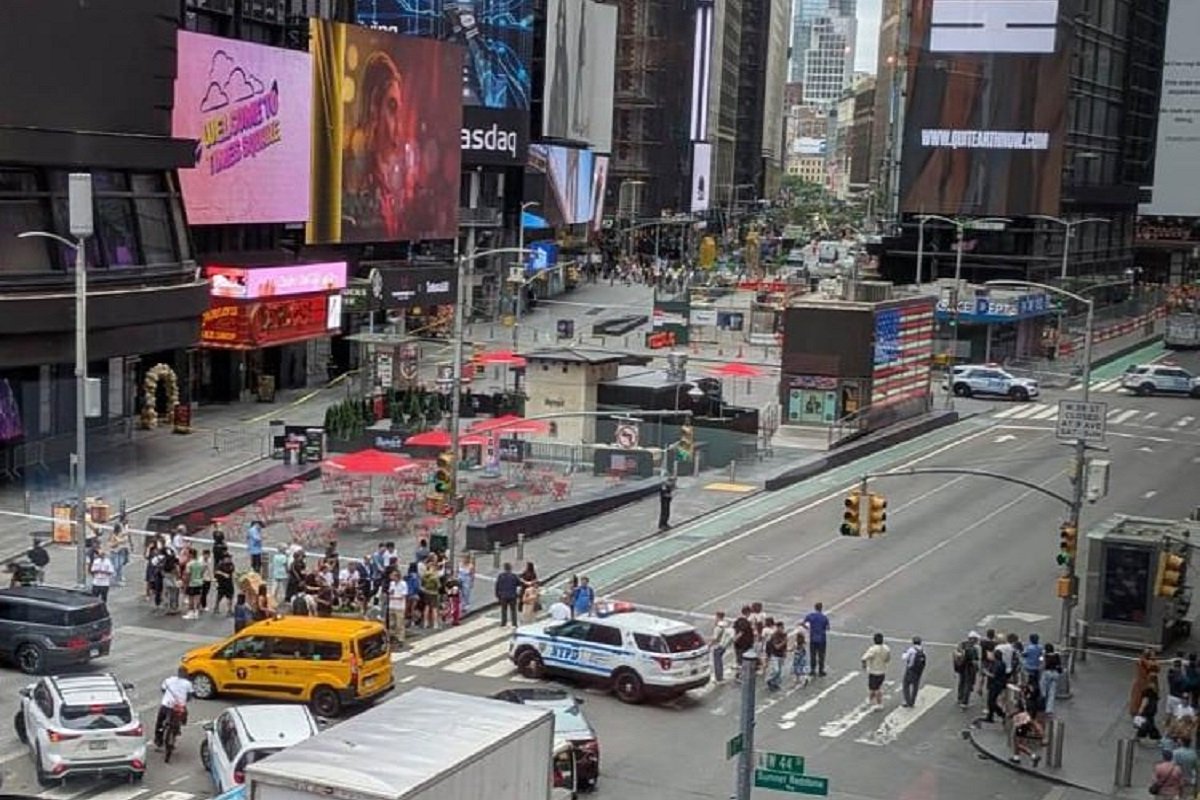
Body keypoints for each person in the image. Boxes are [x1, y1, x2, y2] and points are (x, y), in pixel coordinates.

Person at [154, 668, 193, 748]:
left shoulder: (168, 680)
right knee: (184, 715)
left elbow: (163, 689)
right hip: (179, 707)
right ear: (186, 674)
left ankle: (158, 739)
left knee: (159, 721)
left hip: (166, 705)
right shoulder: (188, 684)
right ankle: (178, 727)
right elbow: (189, 696)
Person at [861, 632, 891, 711]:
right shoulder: (886, 648)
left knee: (874, 688)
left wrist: (864, 666)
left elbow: (864, 658)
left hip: (874, 671)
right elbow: (887, 659)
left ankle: (878, 703)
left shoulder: (873, 649)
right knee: (877, 687)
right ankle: (871, 700)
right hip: (882, 671)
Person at [1132, 648, 1161, 717]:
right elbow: (1155, 667)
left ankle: (1137, 710)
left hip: (1142, 681)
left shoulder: (1142, 661)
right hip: (1144, 682)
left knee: (1139, 697)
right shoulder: (1145, 662)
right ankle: (1139, 711)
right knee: (1143, 697)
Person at [803, 602, 830, 677]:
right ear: (821, 608)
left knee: (813, 655)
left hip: (813, 638)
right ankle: (821, 670)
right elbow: (827, 628)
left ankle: (812, 670)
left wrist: (808, 628)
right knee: (821, 655)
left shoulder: (811, 616)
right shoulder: (824, 617)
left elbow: (803, 623)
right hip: (822, 638)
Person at [901, 636, 927, 708]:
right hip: (918, 671)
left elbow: (904, 658)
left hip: (910, 669)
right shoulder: (922, 650)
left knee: (906, 685)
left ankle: (907, 701)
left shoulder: (911, 650)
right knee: (915, 687)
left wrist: (904, 653)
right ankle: (912, 701)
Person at [765, 621, 789, 692]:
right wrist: (784, 642)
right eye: (781, 628)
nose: (782, 629)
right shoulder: (774, 636)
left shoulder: (784, 635)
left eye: (783, 628)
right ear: (777, 628)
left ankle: (775, 684)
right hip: (775, 655)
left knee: (779, 672)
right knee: (776, 670)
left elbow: (785, 646)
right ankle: (769, 679)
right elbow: (776, 647)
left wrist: (785, 652)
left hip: (781, 655)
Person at [1040, 643, 1063, 716]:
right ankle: (1049, 709)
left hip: (1046, 673)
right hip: (1055, 674)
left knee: (1043, 691)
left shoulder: (1044, 655)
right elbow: (1060, 665)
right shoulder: (1057, 655)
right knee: (1052, 692)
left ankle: (1042, 705)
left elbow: (1041, 664)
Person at [711, 611, 733, 683]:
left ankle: (718, 678)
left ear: (718, 617)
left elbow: (715, 638)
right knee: (720, 661)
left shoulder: (718, 627)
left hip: (718, 646)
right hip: (724, 645)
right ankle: (721, 676)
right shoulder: (725, 624)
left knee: (717, 662)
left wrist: (709, 645)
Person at [388, 568, 408, 643]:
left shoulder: (403, 584)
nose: (391, 577)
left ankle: (400, 638)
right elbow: (390, 592)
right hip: (392, 606)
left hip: (400, 607)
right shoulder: (392, 583)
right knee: (392, 623)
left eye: (392, 575)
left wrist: (394, 597)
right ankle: (393, 637)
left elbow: (403, 595)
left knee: (399, 624)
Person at [213, 551, 235, 615]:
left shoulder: (231, 564)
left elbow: (232, 570)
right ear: (224, 558)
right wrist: (223, 574)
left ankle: (229, 610)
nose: (230, 559)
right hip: (222, 583)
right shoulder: (220, 564)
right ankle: (216, 607)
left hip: (229, 583)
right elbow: (216, 572)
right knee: (219, 596)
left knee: (230, 596)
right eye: (228, 558)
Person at [792, 623, 809, 688]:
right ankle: (804, 679)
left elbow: (792, 649)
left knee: (796, 669)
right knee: (802, 669)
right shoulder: (804, 643)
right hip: (802, 658)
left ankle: (798, 680)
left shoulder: (796, 644)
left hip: (797, 658)